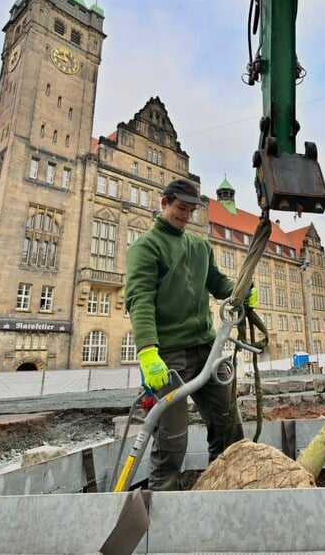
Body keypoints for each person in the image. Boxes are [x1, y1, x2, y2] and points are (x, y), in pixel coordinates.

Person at [125, 178, 253, 490]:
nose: (186, 215)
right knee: (172, 437)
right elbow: (139, 298)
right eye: (181, 208)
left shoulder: (199, 247)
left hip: (206, 348)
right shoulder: (146, 247)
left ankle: (226, 483)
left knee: (227, 423)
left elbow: (217, 283)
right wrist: (147, 351)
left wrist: (242, 292)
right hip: (169, 355)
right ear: (163, 203)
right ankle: (164, 500)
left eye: (191, 210)